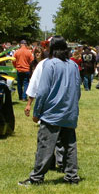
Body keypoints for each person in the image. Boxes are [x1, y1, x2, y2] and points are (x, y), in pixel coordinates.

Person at [19, 36, 81, 186]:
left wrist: (37, 111)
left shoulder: (49, 64)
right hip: (69, 112)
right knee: (69, 146)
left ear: (51, 49)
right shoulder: (73, 66)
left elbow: (43, 90)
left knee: (45, 146)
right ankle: (72, 176)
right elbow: (78, 90)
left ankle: (36, 178)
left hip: (52, 113)